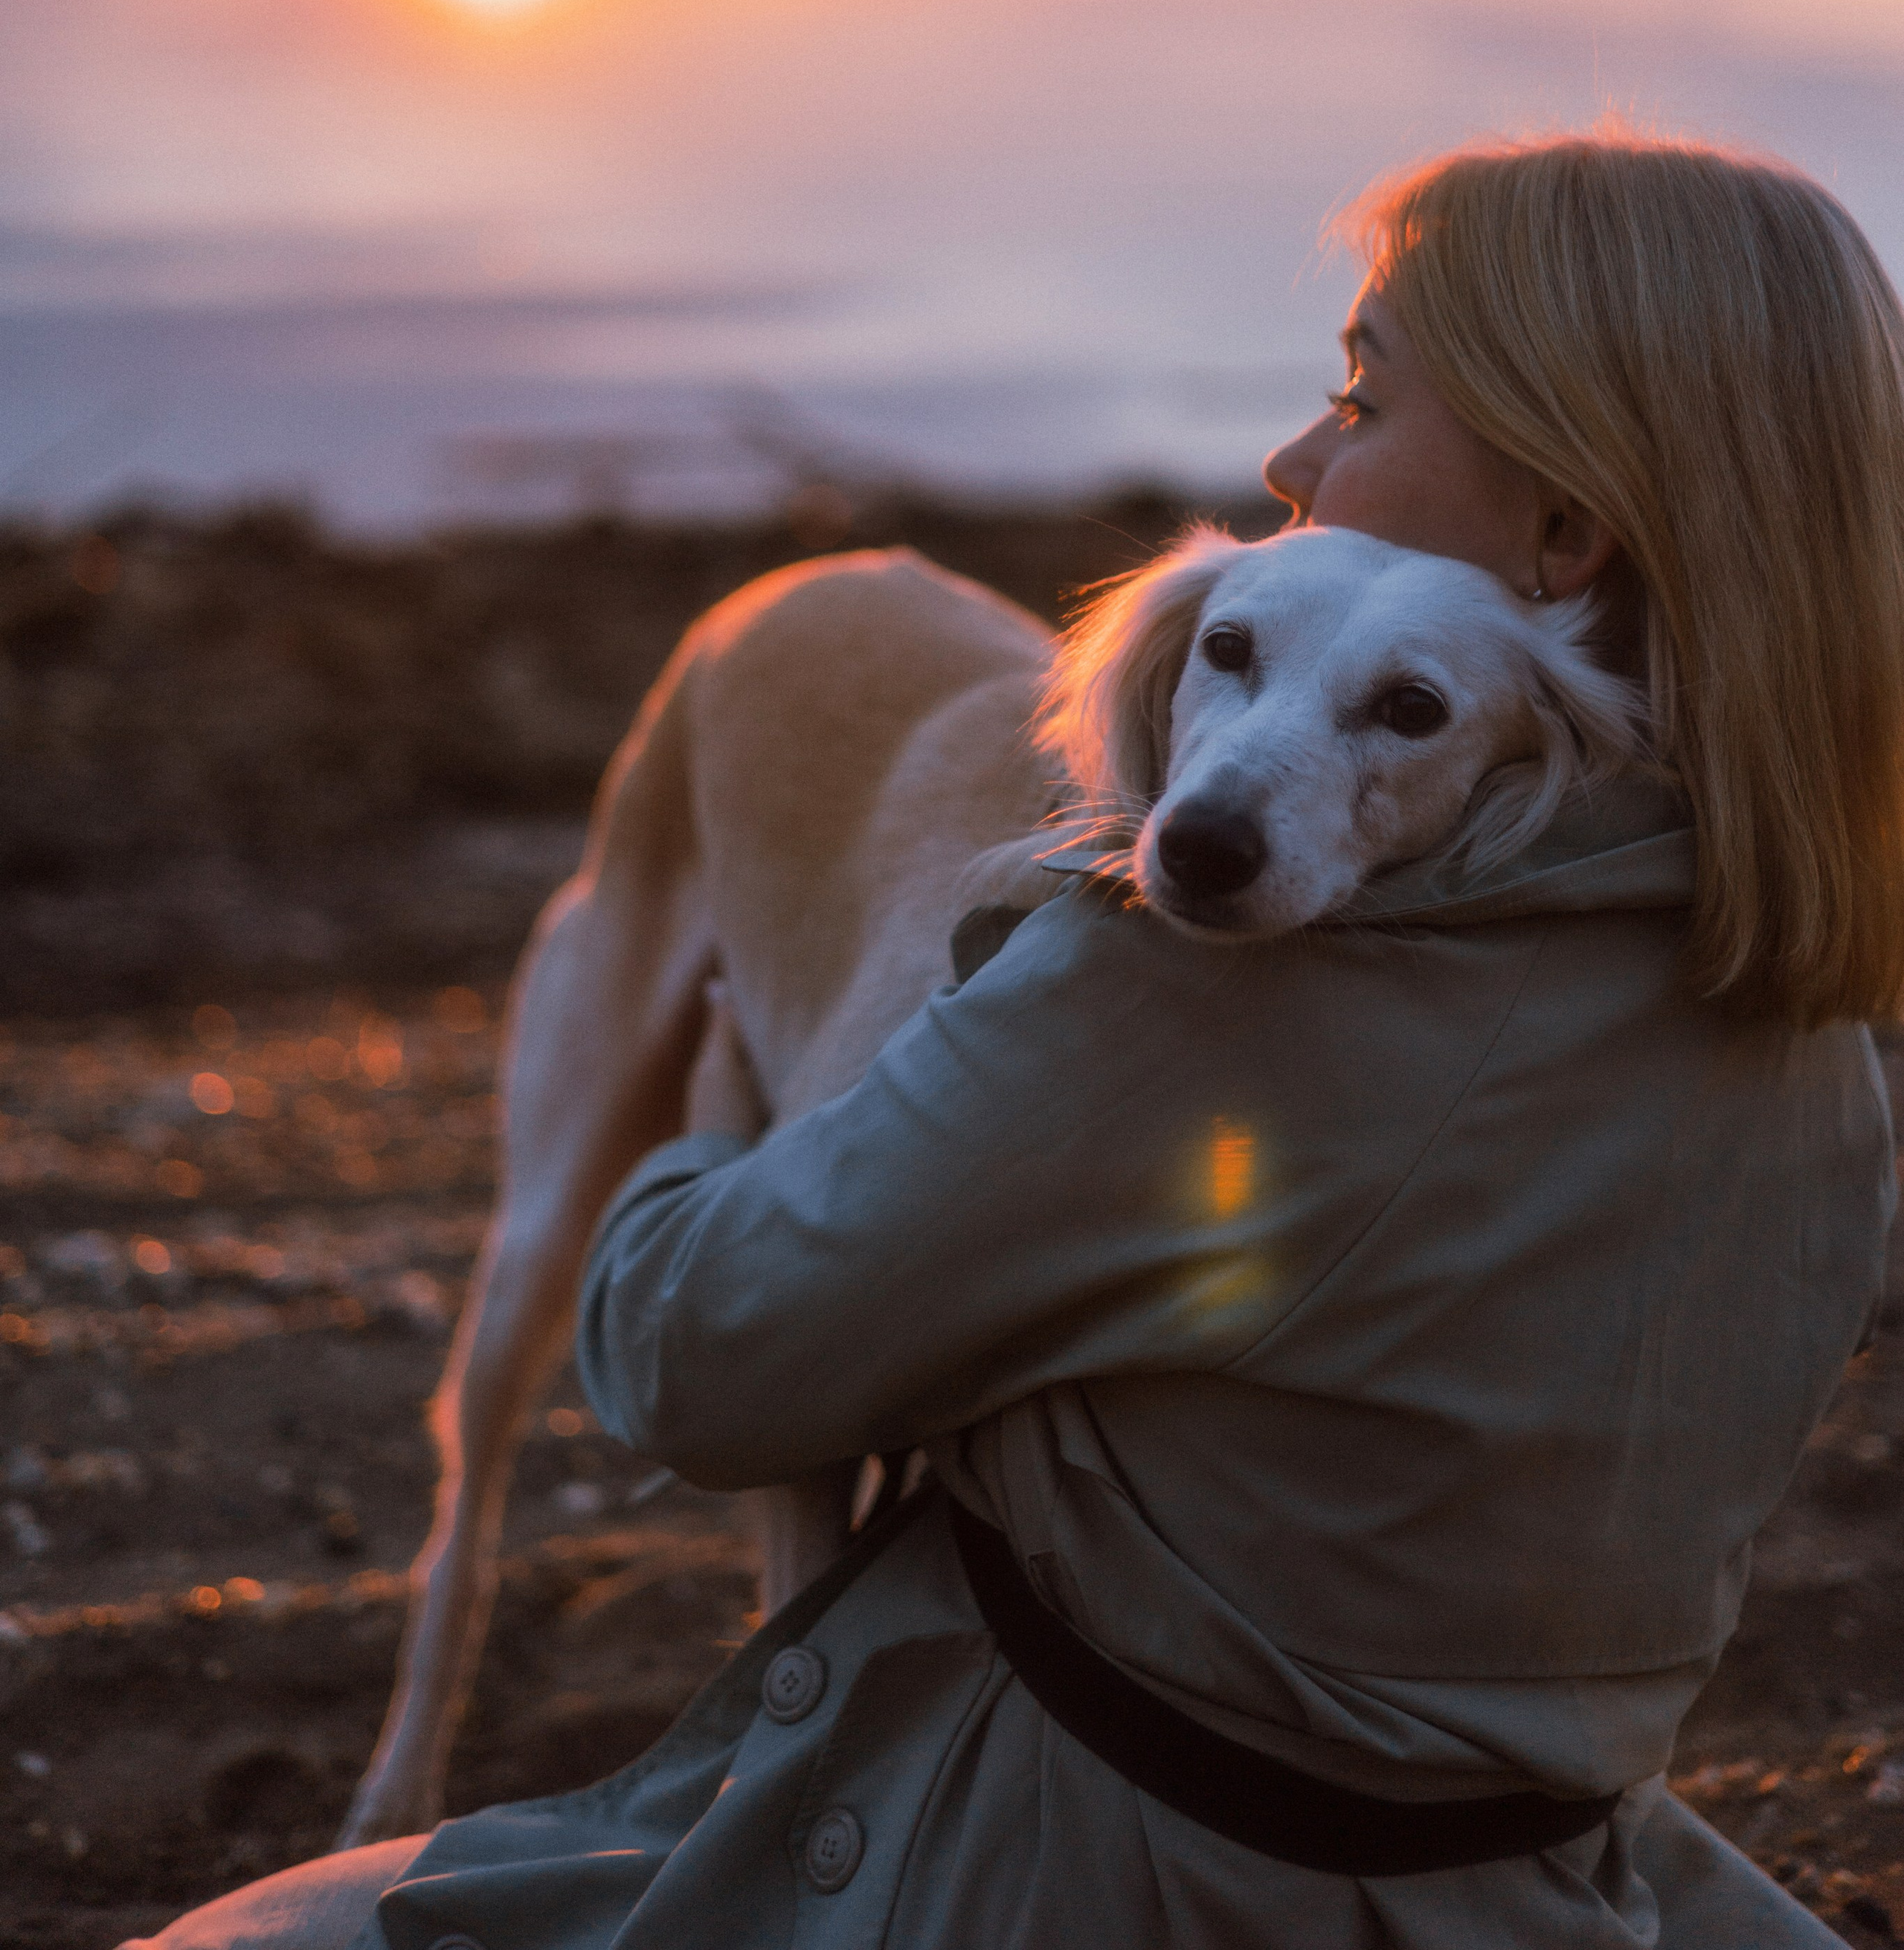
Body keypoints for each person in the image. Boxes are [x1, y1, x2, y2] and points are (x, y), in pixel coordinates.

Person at [132, 129, 1904, 1949]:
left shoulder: (1210, 986)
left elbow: (685, 1366)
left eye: (1358, 402)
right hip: (1535, 1879)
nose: (1291, 461)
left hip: (1083, 1864)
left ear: (1561, 536)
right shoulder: (1809, 1042)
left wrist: (722, 1110)